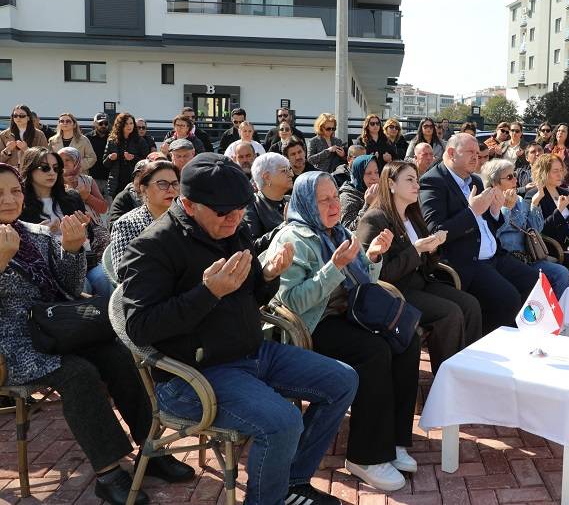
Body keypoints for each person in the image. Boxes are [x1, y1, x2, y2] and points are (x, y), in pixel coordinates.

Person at [120, 153, 355, 505]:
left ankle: (292, 483)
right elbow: (139, 328)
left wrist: (269, 276)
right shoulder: (153, 247)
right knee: (284, 421)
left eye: (240, 209)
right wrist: (207, 293)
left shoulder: (233, 229)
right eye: (223, 212)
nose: (234, 218)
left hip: (251, 352)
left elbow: (252, 295)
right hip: (193, 374)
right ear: (189, 204)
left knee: (343, 380)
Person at [0, 162, 193, 505]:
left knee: (119, 355)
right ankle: (108, 472)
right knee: (79, 374)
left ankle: (151, 450)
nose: (9, 199)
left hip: (58, 327)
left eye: (15, 191)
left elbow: (70, 287)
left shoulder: (34, 233)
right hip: (15, 344)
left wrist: (73, 249)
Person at [269, 171, 417, 492]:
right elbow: (292, 301)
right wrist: (333, 268)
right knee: (373, 351)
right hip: (313, 325)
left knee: (405, 339)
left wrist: (373, 256)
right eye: (323, 200)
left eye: (335, 197)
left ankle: (393, 439)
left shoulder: (339, 232)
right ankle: (366, 456)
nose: (334, 205)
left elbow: (365, 279)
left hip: (351, 314)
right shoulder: (293, 239)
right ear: (306, 203)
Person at [356, 161, 481, 373]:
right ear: (391, 184)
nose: (417, 185)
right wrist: (416, 250)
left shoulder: (412, 214)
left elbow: (427, 264)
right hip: (396, 292)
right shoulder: (374, 220)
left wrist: (433, 248)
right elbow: (380, 274)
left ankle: (469, 370)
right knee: (449, 314)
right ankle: (447, 378)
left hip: (421, 282)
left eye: (416, 180)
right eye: (410, 180)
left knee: (470, 304)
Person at [419, 133, 539, 334]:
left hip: (493, 256)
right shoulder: (433, 182)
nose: (476, 157)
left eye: (477, 153)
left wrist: (495, 211)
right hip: (465, 261)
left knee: (533, 280)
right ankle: (486, 344)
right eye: (470, 152)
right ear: (451, 153)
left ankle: (518, 336)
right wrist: (472, 212)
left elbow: (486, 224)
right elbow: (435, 231)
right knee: (507, 298)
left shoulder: (475, 180)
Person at [19, 148, 111, 300]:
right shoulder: (20, 205)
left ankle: (109, 315)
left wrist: (84, 228)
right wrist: (42, 232)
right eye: (45, 168)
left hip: (82, 261)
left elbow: (89, 238)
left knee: (104, 277)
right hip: (47, 267)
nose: (52, 173)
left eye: (56, 168)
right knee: (83, 285)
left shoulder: (72, 197)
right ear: (30, 169)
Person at [481, 158, 569, 297]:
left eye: (515, 175)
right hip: (506, 261)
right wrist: (506, 209)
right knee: (533, 280)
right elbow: (493, 235)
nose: (515, 180)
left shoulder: (519, 200)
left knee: (561, 273)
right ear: (495, 183)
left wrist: (535, 204)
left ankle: (556, 311)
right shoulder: (486, 204)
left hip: (528, 258)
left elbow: (536, 229)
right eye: (509, 177)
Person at [109, 160, 180, 277]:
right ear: (143, 189)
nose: (171, 189)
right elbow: (125, 273)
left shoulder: (188, 220)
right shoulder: (127, 224)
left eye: (175, 183)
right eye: (162, 184)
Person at [244, 153, 293, 254]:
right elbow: (252, 247)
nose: (291, 174)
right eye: (284, 170)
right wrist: (284, 227)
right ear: (267, 177)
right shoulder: (252, 206)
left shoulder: (291, 200)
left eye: (290, 169)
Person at [103, 112, 150, 198]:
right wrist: (110, 158)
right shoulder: (112, 141)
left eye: (131, 123)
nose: (129, 126)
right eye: (126, 123)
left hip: (134, 181)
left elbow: (147, 162)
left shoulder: (140, 141)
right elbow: (105, 163)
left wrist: (133, 158)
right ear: (120, 125)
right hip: (116, 182)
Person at [59, 147, 108, 224]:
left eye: (67, 160)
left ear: (76, 161)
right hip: (66, 226)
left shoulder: (88, 181)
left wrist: (87, 197)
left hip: (92, 226)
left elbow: (103, 209)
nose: (63, 163)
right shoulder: (55, 182)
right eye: (60, 160)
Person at [1, 104, 48, 170]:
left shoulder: (39, 135)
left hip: (30, 171)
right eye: (15, 116)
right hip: (10, 172)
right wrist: (7, 150)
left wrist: (27, 150)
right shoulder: (4, 135)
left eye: (22, 116)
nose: (18, 118)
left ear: (28, 118)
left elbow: (45, 157)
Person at [339, 154, 378, 231]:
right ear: (358, 174)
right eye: (368, 173)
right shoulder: (348, 196)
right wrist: (368, 205)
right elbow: (348, 229)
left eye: (376, 172)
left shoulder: (378, 190)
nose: (374, 177)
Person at [546, 123, 569, 189]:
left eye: (563, 131)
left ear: (568, 134)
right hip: (550, 184)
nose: (560, 133)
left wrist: (565, 171)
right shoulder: (548, 148)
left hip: (568, 185)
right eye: (558, 130)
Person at [86, 114, 111, 195]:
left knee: (110, 202)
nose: (103, 126)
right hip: (92, 178)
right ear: (94, 124)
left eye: (106, 123)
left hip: (109, 179)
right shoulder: (87, 138)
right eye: (100, 123)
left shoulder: (113, 138)